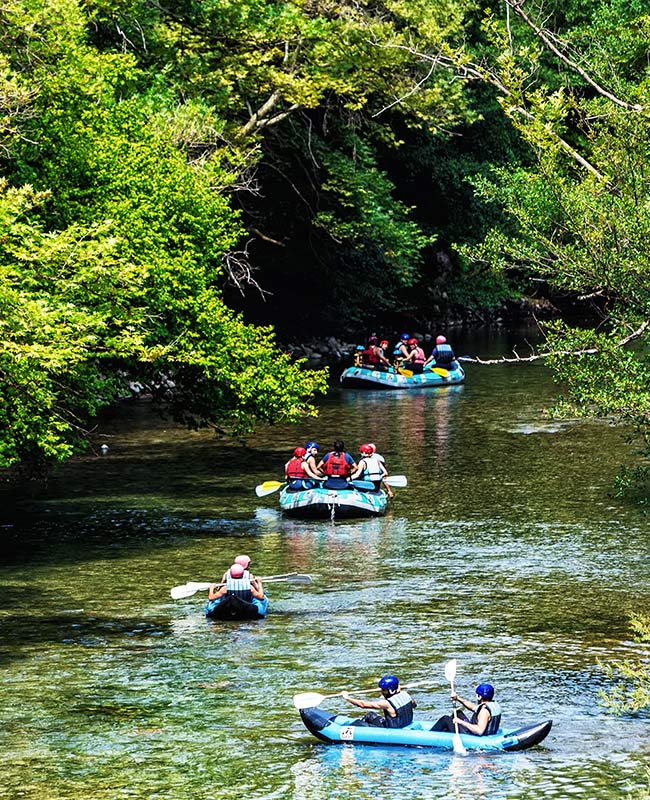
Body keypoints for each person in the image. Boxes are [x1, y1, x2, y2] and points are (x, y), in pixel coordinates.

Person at [342, 675, 417, 728]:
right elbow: (414, 705)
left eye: (384, 690)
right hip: (404, 723)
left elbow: (363, 705)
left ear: (391, 690)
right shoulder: (406, 695)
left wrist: (347, 698)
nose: (382, 692)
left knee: (358, 723)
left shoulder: (386, 703)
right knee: (370, 715)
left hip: (393, 728)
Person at [431, 682, 502, 736]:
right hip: (485, 733)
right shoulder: (492, 705)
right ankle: (448, 732)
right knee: (458, 713)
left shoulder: (484, 711)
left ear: (479, 697)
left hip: (473, 736)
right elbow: (473, 707)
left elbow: (479, 731)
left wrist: (460, 722)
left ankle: (430, 736)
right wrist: (457, 698)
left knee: (445, 719)